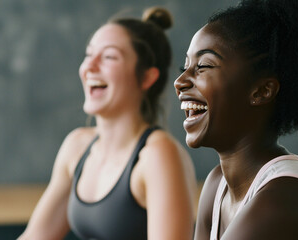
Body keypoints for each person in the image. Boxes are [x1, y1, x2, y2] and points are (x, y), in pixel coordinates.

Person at [174, 0, 298, 239]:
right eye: (185, 66)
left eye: (203, 65)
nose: (180, 81)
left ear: (261, 91)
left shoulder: (283, 201)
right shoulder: (217, 186)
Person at [19, 7, 197, 240]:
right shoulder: (77, 146)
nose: (89, 67)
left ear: (146, 77)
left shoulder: (158, 155)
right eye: (88, 54)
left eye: (109, 57)